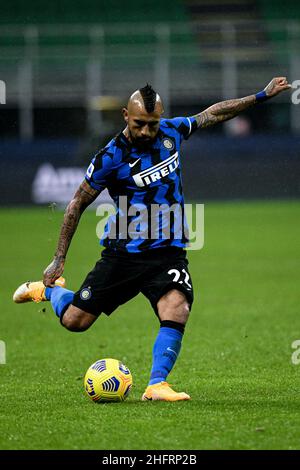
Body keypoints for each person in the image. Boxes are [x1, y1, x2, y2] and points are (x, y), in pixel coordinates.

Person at [13, 78, 291, 401]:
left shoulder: (171, 132)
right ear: (125, 116)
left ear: (161, 118)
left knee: (178, 306)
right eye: (139, 124)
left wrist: (261, 96)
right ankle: (49, 291)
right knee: (76, 321)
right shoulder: (110, 157)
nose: (146, 131)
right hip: (125, 254)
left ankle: (157, 384)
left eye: (152, 124)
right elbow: (77, 202)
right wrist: (59, 258)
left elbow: (212, 114)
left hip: (169, 253)